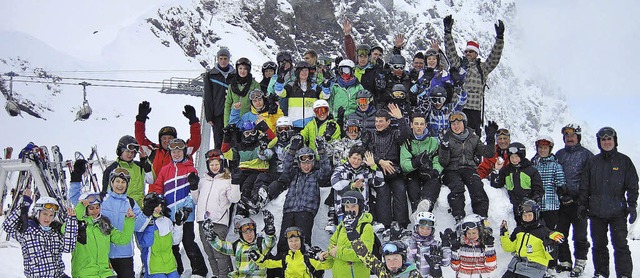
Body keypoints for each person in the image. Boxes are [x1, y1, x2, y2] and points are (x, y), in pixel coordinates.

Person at [578, 127, 638, 278]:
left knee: (621, 245)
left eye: (609, 139)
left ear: (614, 141)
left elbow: (632, 185)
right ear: (599, 142)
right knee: (599, 246)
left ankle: (624, 274)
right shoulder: (593, 162)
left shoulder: (624, 161)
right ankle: (601, 273)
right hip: (597, 212)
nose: (606, 142)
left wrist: (632, 205)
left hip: (618, 212)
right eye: (603, 140)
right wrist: (582, 205)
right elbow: (585, 186)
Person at [148, 138, 208, 277]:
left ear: (184, 152)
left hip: (185, 215)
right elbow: (158, 188)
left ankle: (199, 271)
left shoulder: (190, 169)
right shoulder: (165, 170)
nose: (176, 154)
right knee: (172, 245)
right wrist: (161, 203)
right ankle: (177, 270)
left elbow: (193, 192)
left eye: (179, 151)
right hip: (169, 215)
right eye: (173, 152)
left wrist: (186, 209)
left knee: (188, 241)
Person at [76, 166, 148, 277]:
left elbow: (139, 227)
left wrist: (145, 213)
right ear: (111, 182)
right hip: (104, 254)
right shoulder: (101, 198)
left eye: (123, 182)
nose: (120, 185)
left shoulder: (131, 202)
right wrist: (75, 179)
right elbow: (79, 205)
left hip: (124, 254)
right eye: (117, 181)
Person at [443, 15, 504, 136]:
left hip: (474, 109)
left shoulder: (483, 68)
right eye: (466, 51)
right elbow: (450, 51)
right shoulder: (458, 64)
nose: (468, 53)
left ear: (476, 53)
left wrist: (499, 38)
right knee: (454, 136)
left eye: (471, 51)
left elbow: (494, 57)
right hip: (458, 107)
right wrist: (447, 33)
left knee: (473, 138)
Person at [2, 190, 77, 278]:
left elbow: (68, 247)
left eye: (51, 215)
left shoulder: (56, 232)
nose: (47, 218)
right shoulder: (27, 231)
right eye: (45, 214)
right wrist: (24, 206)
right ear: (37, 213)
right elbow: (7, 226)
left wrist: (71, 221)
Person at [274, 142, 331, 254]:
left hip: (306, 212)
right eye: (303, 163)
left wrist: (321, 150)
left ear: (314, 163)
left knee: (302, 240)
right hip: (289, 210)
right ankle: (282, 268)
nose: (306, 166)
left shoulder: (316, 175)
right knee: (284, 241)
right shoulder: (294, 174)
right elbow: (286, 166)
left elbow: (326, 170)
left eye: (309, 163)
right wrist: (292, 150)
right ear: (299, 164)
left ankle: (304, 266)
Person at [439, 112, 496, 221]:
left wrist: (490, 139)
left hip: (469, 168)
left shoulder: (473, 137)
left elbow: (488, 154)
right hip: (451, 170)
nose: (456, 126)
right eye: (453, 124)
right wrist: (444, 147)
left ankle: (481, 217)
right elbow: (443, 162)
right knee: (457, 187)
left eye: (458, 123)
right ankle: (459, 217)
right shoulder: (447, 138)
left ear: (464, 123)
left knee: (476, 186)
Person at [191, 149, 240, 277]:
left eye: (217, 164)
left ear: (222, 164)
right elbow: (196, 200)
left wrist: (235, 183)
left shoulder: (227, 180)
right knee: (209, 253)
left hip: (218, 221)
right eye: (211, 164)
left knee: (220, 253)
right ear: (208, 165)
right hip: (203, 221)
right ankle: (216, 274)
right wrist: (193, 187)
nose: (214, 167)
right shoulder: (203, 181)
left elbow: (234, 199)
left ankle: (225, 275)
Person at [553, 124, 592, 276]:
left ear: (578, 137)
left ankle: (580, 262)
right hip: (562, 202)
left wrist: (583, 201)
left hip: (579, 203)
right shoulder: (559, 154)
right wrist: (561, 194)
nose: (569, 138)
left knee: (580, 235)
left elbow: (590, 180)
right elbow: (553, 175)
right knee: (560, 233)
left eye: (572, 135)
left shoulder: (587, 155)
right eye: (567, 136)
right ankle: (565, 262)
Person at [71, 192, 135, 278]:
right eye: (91, 208)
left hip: (104, 273)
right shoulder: (76, 226)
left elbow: (123, 239)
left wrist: (129, 220)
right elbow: (65, 230)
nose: (95, 211)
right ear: (85, 209)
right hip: (85, 273)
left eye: (97, 207)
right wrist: (80, 207)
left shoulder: (104, 225)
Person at [501, 199, 566, 278]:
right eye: (524, 216)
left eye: (530, 215)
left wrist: (554, 241)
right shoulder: (519, 230)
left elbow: (553, 238)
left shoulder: (542, 231)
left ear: (536, 215)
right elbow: (509, 247)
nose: (527, 218)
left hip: (534, 269)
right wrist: (504, 234)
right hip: (515, 267)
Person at [371, 105, 412, 229]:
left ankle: (401, 224)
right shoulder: (371, 135)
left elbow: (406, 135)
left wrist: (400, 118)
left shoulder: (394, 134)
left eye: (381, 121)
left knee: (400, 189)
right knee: (383, 192)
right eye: (376, 121)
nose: (378, 124)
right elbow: (366, 152)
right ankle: (385, 225)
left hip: (394, 170)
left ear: (388, 122)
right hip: (378, 170)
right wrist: (380, 161)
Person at [135, 101, 202, 177]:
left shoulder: (182, 150)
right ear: (160, 140)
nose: (167, 141)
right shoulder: (153, 150)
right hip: (156, 187)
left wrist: (194, 122)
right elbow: (140, 138)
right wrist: (140, 120)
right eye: (164, 138)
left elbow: (195, 140)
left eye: (170, 138)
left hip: (176, 187)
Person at [222, 121, 274, 215]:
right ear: (243, 134)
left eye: (252, 132)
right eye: (247, 133)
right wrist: (226, 138)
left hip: (258, 170)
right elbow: (226, 154)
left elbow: (274, 140)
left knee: (247, 185)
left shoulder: (261, 142)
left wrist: (265, 128)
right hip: (243, 171)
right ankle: (239, 211)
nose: (250, 135)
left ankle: (251, 204)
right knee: (233, 185)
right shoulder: (240, 146)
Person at [204, 213, 277, 278]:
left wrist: (270, 232)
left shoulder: (260, 244)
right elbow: (223, 247)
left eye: (251, 231)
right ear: (241, 235)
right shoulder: (237, 246)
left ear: (254, 231)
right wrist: (213, 239)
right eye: (245, 233)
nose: (249, 235)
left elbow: (269, 243)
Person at [331, 146, 383, 231]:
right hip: (343, 211)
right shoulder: (340, 170)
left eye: (359, 159)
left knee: (361, 238)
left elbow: (379, 182)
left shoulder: (365, 171)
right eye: (354, 158)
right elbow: (335, 184)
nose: (356, 161)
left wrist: (374, 166)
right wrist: (352, 185)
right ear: (349, 157)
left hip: (362, 212)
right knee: (346, 236)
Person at [490, 142, 544, 222]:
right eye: (512, 157)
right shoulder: (506, 170)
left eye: (516, 157)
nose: (514, 160)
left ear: (522, 156)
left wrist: (533, 201)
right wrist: (497, 170)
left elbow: (538, 189)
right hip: (514, 209)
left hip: (528, 210)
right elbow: (496, 184)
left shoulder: (531, 170)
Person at [400, 112, 443, 212]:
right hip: (413, 172)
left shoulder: (433, 141)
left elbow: (438, 158)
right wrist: (416, 162)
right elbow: (404, 164)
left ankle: (426, 204)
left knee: (434, 181)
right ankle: (416, 209)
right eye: (416, 124)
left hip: (428, 170)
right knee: (412, 185)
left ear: (425, 125)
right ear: (411, 125)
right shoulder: (407, 142)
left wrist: (436, 169)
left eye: (421, 124)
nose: (419, 127)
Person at [250, 226, 333, 277]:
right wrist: (258, 259)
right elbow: (269, 263)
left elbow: (327, 266)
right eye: (291, 241)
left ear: (301, 241)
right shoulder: (285, 257)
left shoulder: (308, 256)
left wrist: (324, 258)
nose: (294, 244)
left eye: (296, 240)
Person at [328, 190, 375, 278]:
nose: (350, 210)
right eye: (347, 207)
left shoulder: (365, 227)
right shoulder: (341, 227)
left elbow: (363, 255)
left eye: (353, 207)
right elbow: (331, 248)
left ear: (360, 207)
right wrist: (323, 257)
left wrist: (339, 252)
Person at [137, 192, 184, 278]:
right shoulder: (143, 221)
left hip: (171, 266)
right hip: (154, 267)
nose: (158, 209)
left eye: (160, 206)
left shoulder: (166, 221)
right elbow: (143, 242)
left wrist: (178, 224)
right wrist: (150, 222)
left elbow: (175, 241)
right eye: (155, 206)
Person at [101, 135, 152, 207]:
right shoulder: (111, 169)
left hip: (139, 209)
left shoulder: (140, 166)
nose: (130, 154)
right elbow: (106, 193)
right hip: (120, 209)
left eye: (132, 152)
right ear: (120, 151)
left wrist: (145, 162)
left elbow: (151, 180)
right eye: (127, 151)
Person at [530, 135, 565, 232]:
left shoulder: (555, 165)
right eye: (540, 148)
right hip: (536, 205)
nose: (542, 150)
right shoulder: (533, 164)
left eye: (545, 148)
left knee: (549, 233)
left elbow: (561, 183)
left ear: (550, 149)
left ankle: (552, 247)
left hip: (551, 206)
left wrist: (562, 193)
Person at [203, 48, 235, 149]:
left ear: (229, 59)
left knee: (233, 141)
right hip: (218, 113)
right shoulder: (211, 75)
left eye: (225, 58)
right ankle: (219, 163)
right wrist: (209, 116)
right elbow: (208, 96)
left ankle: (232, 164)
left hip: (232, 113)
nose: (223, 61)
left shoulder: (235, 75)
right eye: (221, 58)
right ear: (217, 59)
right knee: (218, 141)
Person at [274, 61, 320, 129]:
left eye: (306, 70)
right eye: (302, 70)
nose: (304, 72)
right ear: (298, 72)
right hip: (294, 124)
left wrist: (326, 84)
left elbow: (325, 96)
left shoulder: (314, 87)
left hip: (311, 125)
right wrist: (280, 79)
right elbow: (280, 92)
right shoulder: (291, 86)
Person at [407, 212, 451, 278]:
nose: (424, 231)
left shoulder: (435, 245)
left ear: (432, 230)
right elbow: (409, 260)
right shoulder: (411, 242)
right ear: (416, 227)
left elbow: (446, 262)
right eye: (422, 228)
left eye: (428, 229)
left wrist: (446, 246)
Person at [224, 57, 261, 127]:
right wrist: (226, 124)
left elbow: (258, 104)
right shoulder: (232, 85)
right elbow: (228, 104)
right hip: (234, 120)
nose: (242, 71)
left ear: (248, 70)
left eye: (245, 69)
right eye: (240, 68)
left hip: (249, 121)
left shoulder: (255, 85)